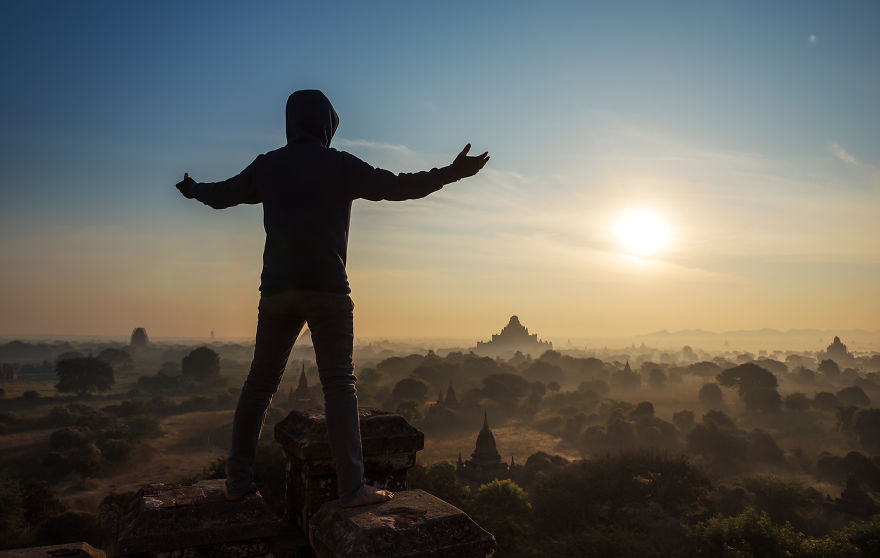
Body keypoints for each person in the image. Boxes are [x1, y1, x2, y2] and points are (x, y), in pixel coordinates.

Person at [175, 89, 489, 507]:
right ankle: (351, 487)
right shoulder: (340, 165)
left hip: (278, 292)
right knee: (339, 386)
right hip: (328, 291)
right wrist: (451, 172)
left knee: (259, 384)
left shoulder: (268, 166)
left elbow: (223, 194)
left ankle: (237, 481)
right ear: (327, 123)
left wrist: (194, 190)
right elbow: (401, 187)